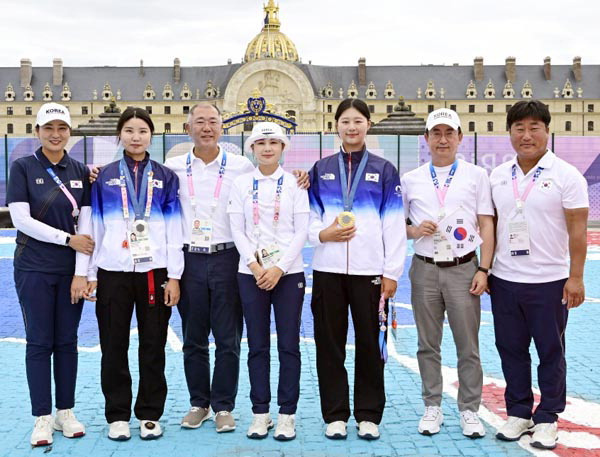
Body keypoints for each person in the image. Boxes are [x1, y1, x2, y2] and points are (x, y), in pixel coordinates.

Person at [164, 104, 308, 433]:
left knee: (229, 337)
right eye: (199, 122)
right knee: (193, 336)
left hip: (230, 258)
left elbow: (272, 178)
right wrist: (95, 174)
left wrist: (302, 175)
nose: (206, 127)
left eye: (213, 122)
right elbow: (141, 179)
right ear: (188, 129)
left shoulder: (241, 166)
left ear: (222, 128)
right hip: (189, 258)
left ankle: (224, 406)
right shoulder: (172, 168)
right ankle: (199, 402)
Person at [490, 100, 588, 450]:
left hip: (549, 282)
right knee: (511, 349)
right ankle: (518, 412)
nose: (526, 135)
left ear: (547, 131)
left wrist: (575, 277)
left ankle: (547, 416)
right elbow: (492, 226)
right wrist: (485, 270)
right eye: (519, 128)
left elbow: (578, 232)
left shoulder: (567, 176)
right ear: (510, 132)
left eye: (534, 127)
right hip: (504, 280)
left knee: (550, 351)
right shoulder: (499, 175)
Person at [308, 98, 406, 440]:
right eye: (345, 121)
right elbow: (307, 218)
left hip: (370, 273)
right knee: (329, 344)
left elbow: (394, 225)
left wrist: (392, 271)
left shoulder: (385, 169)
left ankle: (368, 414)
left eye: (358, 121)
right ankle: (334, 415)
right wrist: (323, 234)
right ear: (336, 126)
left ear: (368, 125)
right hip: (328, 270)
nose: (352, 127)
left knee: (370, 344)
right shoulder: (319, 170)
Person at [86, 107, 183, 441]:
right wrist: (91, 273)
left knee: (153, 344)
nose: (136, 136)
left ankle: (149, 413)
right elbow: (94, 227)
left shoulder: (167, 177)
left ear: (151, 136)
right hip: (113, 270)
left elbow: (175, 228)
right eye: (129, 130)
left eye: (142, 130)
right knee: (113, 345)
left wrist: (175, 276)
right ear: (120, 135)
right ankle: (117, 415)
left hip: (154, 272)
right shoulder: (103, 177)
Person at [400, 108, 494, 438]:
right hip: (424, 269)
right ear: (426, 139)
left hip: (463, 268)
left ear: (459, 138)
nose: (442, 139)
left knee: (468, 345)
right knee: (428, 344)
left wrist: (484, 267)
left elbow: (486, 222)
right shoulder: (410, 179)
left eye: (448, 133)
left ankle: (469, 410)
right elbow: (399, 225)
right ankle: (432, 405)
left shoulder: (476, 176)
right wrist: (413, 231)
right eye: (436, 133)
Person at [7, 102, 94, 446]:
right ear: (38, 132)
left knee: (67, 342)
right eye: (49, 128)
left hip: (68, 271)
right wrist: (67, 239)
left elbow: (85, 225)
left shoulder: (82, 171)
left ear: (69, 132)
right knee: (40, 342)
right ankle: (42, 417)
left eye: (62, 128)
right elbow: (21, 220)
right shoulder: (23, 167)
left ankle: (65, 412)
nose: (56, 135)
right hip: (33, 268)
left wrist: (81, 273)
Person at [227, 122, 309, 441]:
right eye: (260, 143)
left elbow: (301, 230)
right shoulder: (241, 183)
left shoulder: (294, 183)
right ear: (251, 148)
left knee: (289, 346)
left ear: (283, 148)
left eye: (274, 142)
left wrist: (279, 269)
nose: (267, 148)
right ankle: (260, 413)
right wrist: (254, 264)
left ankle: (287, 415)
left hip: (288, 275)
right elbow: (237, 228)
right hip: (251, 274)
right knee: (257, 346)